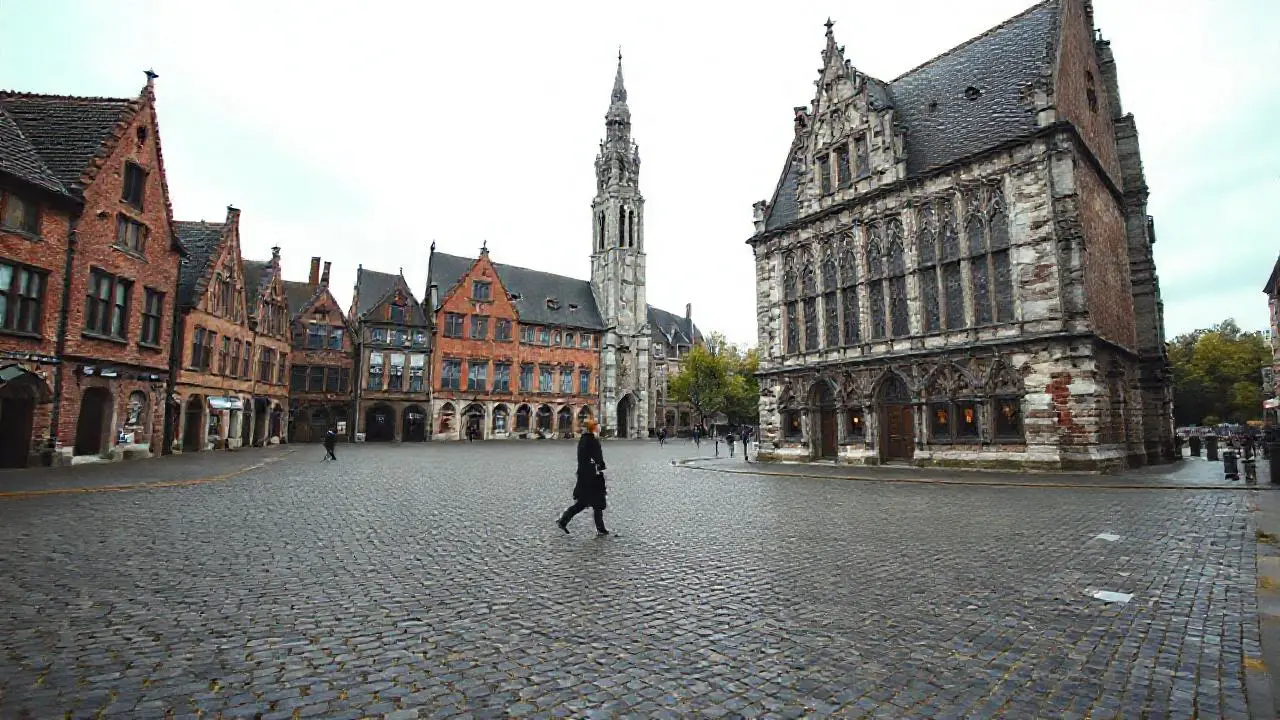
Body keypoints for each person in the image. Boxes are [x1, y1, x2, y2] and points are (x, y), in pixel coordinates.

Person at [557, 420, 609, 535]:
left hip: (585, 475)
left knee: (584, 502)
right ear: (593, 428)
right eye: (598, 427)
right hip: (592, 476)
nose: (599, 429)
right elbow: (597, 458)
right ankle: (600, 529)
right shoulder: (592, 441)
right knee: (596, 502)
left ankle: (563, 520)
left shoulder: (584, 439)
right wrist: (600, 466)